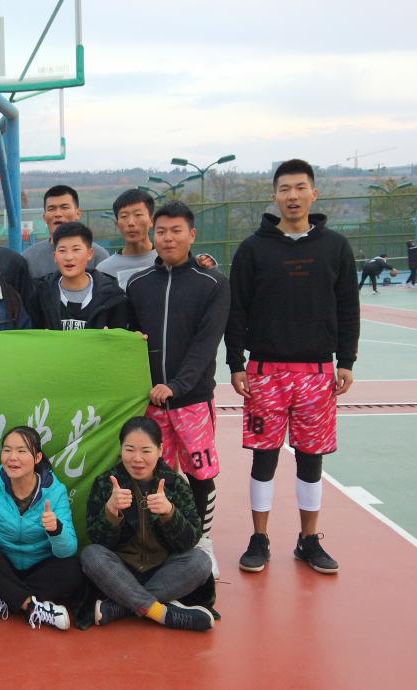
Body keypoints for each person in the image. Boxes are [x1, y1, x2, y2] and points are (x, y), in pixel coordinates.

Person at [225, 159, 359, 574]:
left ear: (313, 193)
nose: (293, 196)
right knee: (263, 458)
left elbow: (348, 306)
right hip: (264, 371)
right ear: (275, 195)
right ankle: (259, 538)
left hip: (317, 372)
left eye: (300, 188)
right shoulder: (253, 249)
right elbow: (236, 309)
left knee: (310, 458)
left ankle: (308, 540)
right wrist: (235, 362)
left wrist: (346, 360)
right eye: (285, 189)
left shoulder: (335, 247)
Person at [126, 201, 230, 579]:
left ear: (192, 234)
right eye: (162, 231)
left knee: (200, 473)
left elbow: (206, 344)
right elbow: (128, 341)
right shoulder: (138, 284)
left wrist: (176, 386)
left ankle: (202, 541)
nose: (168, 238)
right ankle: (164, 542)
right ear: (153, 235)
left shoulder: (212, 283)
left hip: (192, 401)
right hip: (150, 403)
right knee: (157, 475)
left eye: (176, 231)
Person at [78, 417, 215, 632]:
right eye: (129, 449)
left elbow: (190, 541)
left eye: (146, 450)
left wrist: (170, 513)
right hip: (121, 571)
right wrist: (110, 512)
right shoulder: (106, 483)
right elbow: (98, 540)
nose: (137, 458)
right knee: (91, 555)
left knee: (201, 561)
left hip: (164, 570)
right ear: (121, 449)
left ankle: (120, 606)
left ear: (160, 450)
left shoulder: (175, 484)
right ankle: (162, 613)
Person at [0, 427, 81, 630]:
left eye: (22, 451)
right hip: (2, 566)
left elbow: (67, 549)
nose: (12, 457)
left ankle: (5, 598)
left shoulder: (55, 491)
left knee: (73, 568)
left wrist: (56, 530)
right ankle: (31, 606)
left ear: (37, 457)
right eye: (7, 450)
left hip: (39, 568)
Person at [29, 222, 127, 330]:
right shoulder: (39, 294)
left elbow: (121, 334)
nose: (69, 257)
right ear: (55, 256)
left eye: (76, 250)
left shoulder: (113, 295)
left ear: (90, 254)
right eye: (62, 250)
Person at [23, 185, 108, 279]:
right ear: (44, 217)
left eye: (64, 207)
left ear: (78, 213)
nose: (58, 214)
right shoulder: (29, 258)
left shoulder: (98, 255)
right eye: (51, 209)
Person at [97, 189, 159, 288]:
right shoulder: (104, 271)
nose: (131, 223)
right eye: (124, 216)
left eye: (138, 215)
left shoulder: (167, 261)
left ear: (152, 220)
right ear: (117, 224)